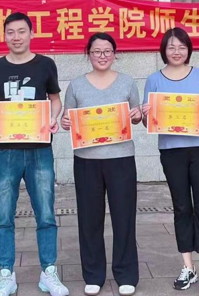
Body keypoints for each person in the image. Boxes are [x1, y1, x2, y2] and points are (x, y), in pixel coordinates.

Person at [0, 12, 68, 296]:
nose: (16, 37)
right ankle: (6, 274)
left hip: (39, 150)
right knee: (3, 216)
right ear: (4, 35)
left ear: (31, 33)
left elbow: (55, 100)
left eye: (21, 31)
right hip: (3, 152)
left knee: (46, 214)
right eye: (10, 32)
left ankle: (48, 272)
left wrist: (53, 117)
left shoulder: (46, 65)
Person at [60, 33, 143, 296]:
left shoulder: (127, 82)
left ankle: (126, 274)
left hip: (121, 159)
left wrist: (138, 114)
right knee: (89, 219)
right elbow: (67, 118)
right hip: (87, 161)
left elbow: (137, 116)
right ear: (89, 54)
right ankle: (93, 275)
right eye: (96, 51)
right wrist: (65, 122)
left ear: (115, 54)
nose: (102, 56)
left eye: (107, 51)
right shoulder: (76, 85)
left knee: (124, 218)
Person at [142, 27, 199, 296]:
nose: (176, 52)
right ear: (163, 50)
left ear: (188, 50)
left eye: (181, 47)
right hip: (172, 151)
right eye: (171, 47)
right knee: (181, 208)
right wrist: (145, 113)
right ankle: (188, 266)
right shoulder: (154, 80)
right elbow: (146, 122)